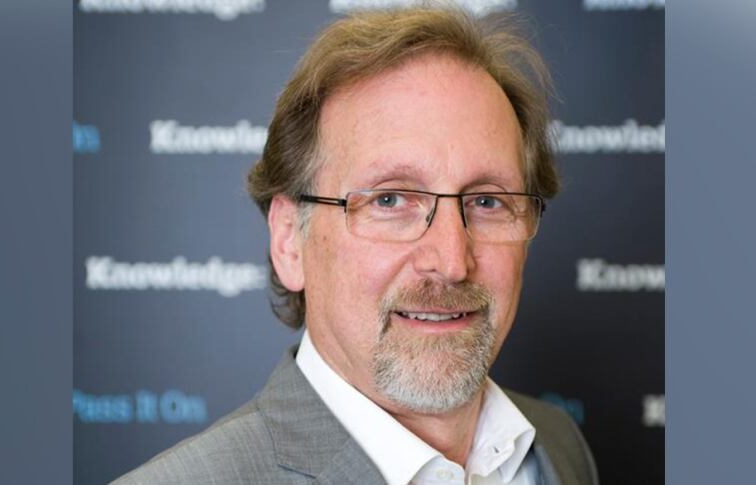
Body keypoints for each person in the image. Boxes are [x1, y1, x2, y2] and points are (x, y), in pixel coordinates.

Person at [114, 6, 598, 485]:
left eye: (489, 201)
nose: (451, 261)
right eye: (389, 199)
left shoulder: (554, 446)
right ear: (289, 242)